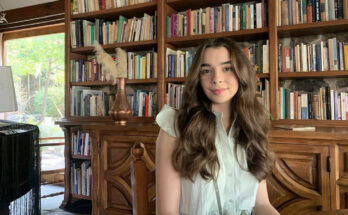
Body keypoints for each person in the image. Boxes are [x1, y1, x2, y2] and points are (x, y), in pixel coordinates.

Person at [155, 37, 279, 215]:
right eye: (206, 71)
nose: (217, 79)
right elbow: (167, 213)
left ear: (241, 72)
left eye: (227, 68)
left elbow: (262, 204)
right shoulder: (175, 126)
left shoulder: (253, 125)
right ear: (198, 77)